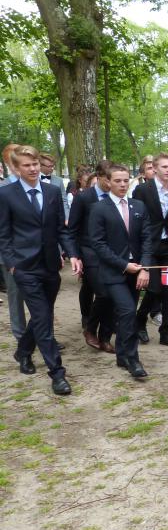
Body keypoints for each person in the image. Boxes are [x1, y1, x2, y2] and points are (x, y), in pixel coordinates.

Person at [0, 145, 82, 395]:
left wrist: (73, 254)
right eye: (27, 165)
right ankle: (57, 374)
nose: (33, 168)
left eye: (35, 163)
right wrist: (13, 264)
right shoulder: (6, 195)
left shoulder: (52, 191)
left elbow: (61, 229)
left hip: (50, 266)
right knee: (44, 319)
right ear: (15, 168)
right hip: (24, 267)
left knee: (40, 316)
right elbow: (3, 235)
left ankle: (23, 351)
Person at [89, 165, 154, 379]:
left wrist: (144, 267)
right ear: (108, 181)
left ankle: (122, 355)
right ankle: (132, 359)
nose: (123, 184)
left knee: (128, 312)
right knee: (127, 311)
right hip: (113, 272)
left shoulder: (139, 206)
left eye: (126, 180)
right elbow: (98, 244)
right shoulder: (99, 208)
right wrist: (123, 265)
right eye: (118, 181)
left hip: (137, 271)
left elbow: (146, 239)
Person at [132, 152, 168, 348]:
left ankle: (166, 332)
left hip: (167, 247)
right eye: (165, 167)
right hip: (149, 248)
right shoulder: (143, 190)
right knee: (154, 289)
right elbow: (136, 218)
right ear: (154, 168)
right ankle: (140, 320)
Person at [67, 160, 115, 352]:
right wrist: (74, 255)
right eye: (110, 179)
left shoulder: (117, 197)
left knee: (109, 293)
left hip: (112, 252)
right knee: (104, 292)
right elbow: (72, 230)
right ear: (100, 177)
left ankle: (104, 337)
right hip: (89, 252)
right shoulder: (84, 198)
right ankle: (90, 327)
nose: (115, 184)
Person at [0, 143, 27, 341]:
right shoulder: (3, 188)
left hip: (35, 253)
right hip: (10, 254)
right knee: (16, 296)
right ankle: (21, 337)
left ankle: (41, 335)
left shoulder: (39, 187)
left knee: (41, 298)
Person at [38, 152, 71, 220]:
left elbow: (64, 200)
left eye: (53, 166)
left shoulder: (59, 180)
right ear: (41, 166)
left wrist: (67, 217)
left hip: (55, 218)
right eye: (49, 166)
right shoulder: (33, 179)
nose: (52, 168)